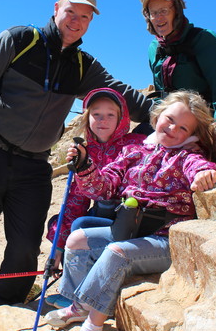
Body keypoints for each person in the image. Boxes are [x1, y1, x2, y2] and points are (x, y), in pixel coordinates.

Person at [0, 0, 153, 331]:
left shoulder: (81, 66)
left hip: (33, 165)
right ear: (56, 9)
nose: (76, 21)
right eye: (71, 12)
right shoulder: (19, 40)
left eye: (85, 16)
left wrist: (164, 115)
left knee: (25, 247)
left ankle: (4, 308)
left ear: (90, 23)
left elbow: (120, 94)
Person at [45, 90, 216, 331]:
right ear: (156, 117)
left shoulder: (187, 154)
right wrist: (85, 166)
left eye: (184, 127)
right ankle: (82, 305)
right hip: (133, 231)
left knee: (117, 252)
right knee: (78, 238)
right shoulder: (135, 150)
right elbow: (103, 187)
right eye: (169, 119)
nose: (173, 128)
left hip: (164, 238)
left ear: (193, 133)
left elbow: (198, 165)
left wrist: (203, 173)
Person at [44, 88, 145, 309]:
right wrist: (58, 246)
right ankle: (78, 288)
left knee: (81, 225)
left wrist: (84, 166)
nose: (103, 120)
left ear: (121, 118)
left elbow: (112, 189)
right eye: (96, 114)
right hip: (108, 216)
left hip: (131, 219)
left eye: (110, 114)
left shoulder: (135, 145)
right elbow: (74, 201)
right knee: (78, 223)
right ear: (87, 117)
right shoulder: (87, 150)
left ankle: (74, 298)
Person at [139, 0, 216, 124]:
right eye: (154, 13)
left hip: (203, 119)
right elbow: (161, 95)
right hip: (171, 120)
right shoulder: (154, 48)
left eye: (164, 11)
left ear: (177, 10)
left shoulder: (205, 40)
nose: (159, 18)